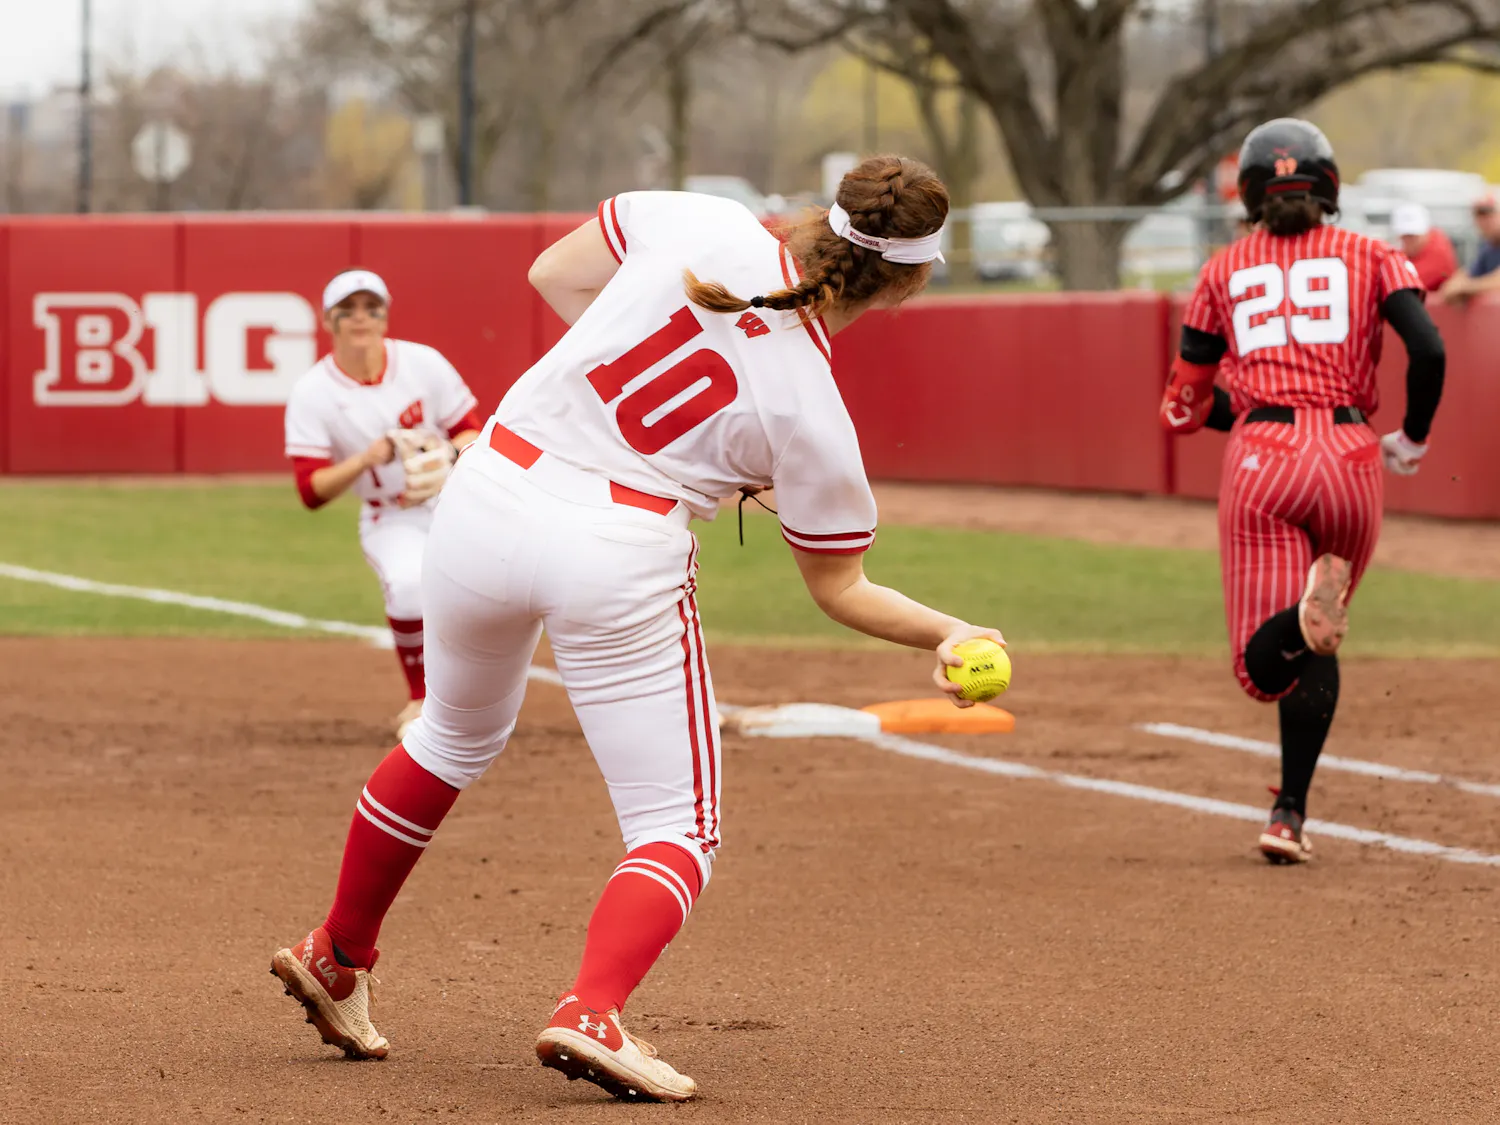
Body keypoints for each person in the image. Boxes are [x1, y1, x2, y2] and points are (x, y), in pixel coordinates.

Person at [269, 157, 1005, 1101]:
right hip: (617, 544)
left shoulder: (708, 221)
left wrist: (625, 400)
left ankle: (336, 953)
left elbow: (554, 275)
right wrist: (947, 632)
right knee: (676, 826)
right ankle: (592, 1008)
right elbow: (840, 587)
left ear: (829, 216)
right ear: (911, 279)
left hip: (489, 488)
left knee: (450, 735)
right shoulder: (813, 408)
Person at [1159, 119, 1445, 864]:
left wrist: (1212, 408)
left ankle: (1297, 613)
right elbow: (1429, 347)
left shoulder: (1223, 268)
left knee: (1265, 667)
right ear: (1329, 188)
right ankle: (1289, 811)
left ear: (1250, 194)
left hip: (1266, 456)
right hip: (1354, 455)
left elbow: (1188, 403)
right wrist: (1411, 437)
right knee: (1321, 639)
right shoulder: (1374, 254)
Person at [283, 270, 484, 739]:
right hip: (390, 514)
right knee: (409, 585)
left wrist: (449, 455)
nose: (360, 319)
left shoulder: (422, 363)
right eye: (347, 310)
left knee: (509, 590)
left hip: (456, 502)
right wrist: (365, 459)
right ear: (328, 319)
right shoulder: (313, 393)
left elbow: (470, 428)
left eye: (370, 308)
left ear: (385, 315)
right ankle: (421, 699)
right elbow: (310, 490)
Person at [1436, 192, 1500, 304]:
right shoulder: (1487, 247)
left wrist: (1464, 287)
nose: (1484, 222)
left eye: (1489, 215)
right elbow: (1470, 272)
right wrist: (1454, 284)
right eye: (1479, 216)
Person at [1390, 202, 1458, 292]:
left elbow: (1408, 284)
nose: (1408, 241)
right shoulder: (1401, 252)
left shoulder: (1439, 250)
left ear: (1426, 232)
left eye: (1413, 236)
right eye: (1404, 236)